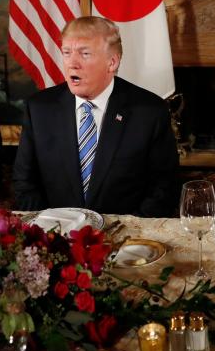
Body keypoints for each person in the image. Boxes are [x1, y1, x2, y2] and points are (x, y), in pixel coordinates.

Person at [13, 16, 179, 216]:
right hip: (57, 235)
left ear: (112, 62)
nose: (72, 64)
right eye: (67, 53)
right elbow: (24, 183)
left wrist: (130, 232)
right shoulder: (39, 108)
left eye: (84, 54)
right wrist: (49, 228)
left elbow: (163, 188)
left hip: (127, 237)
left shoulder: (149, 111)